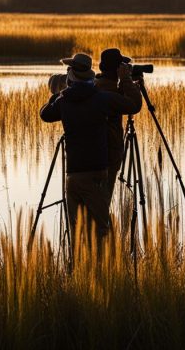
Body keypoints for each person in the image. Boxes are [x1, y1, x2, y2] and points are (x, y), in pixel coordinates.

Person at [40, 53, 142, 244]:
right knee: (102, 230)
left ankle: (79, 271)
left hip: (73, 175)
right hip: (96, 173)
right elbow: (134, 105)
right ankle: (103, 271)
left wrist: (61, 91)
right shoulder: (101, 99)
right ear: (89, 76)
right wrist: (127, 80)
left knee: (76, 231)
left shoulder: (64, 101)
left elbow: (44, 113)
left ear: (71, 77)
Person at [95, 48, 135, 199]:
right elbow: (135, 105)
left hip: (93, 158)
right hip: (109, 155)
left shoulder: (96, 85)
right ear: (116, 69)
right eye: (121, 66)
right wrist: (127, 81)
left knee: (94, 206)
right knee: (103, 204)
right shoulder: (111, 92)